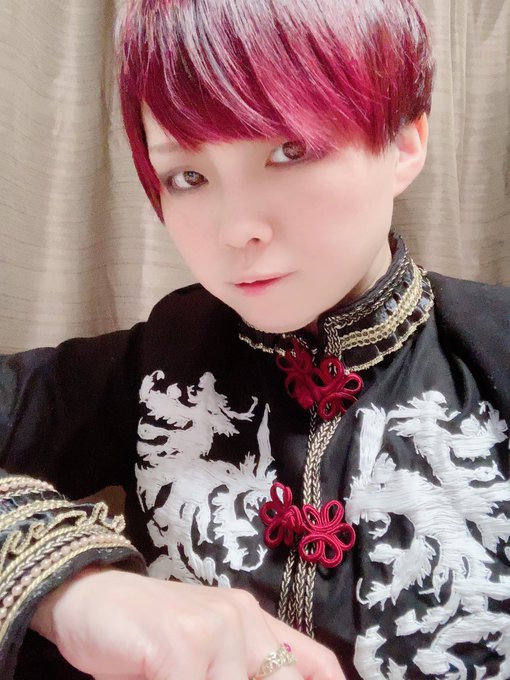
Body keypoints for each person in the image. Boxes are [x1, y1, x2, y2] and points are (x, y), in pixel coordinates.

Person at [0, 0, 509, 678]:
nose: (237, 228)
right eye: (188, 176)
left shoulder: (492, 349)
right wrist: (67, 586)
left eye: (290, 150)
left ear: (403, 145)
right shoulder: (160, 362)